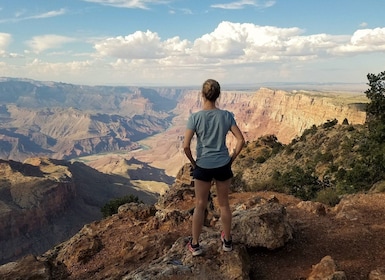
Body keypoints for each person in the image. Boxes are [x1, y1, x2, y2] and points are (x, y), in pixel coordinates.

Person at [183, 79, 245, 256]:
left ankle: (195, 245)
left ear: (202, 95)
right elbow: (241, 140)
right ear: (218, 95)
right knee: (224, 204)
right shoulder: (226, 115)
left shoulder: (195, 118)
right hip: (223, 165)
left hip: (203, 165)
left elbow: (186, 146)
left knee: (200, 205)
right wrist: (231, 159)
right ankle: (227, 241)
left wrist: (195, 165)